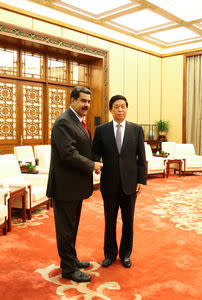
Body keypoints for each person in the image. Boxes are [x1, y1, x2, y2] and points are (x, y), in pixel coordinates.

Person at [47, 86, 103, 282]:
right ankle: (68, 269)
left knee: (71, 226)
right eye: (82, 101)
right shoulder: (64, 122)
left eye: (88, 101)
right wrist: (91, 165)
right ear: (72, 101)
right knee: (66, 228)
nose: (86, 105)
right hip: (65, 187)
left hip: (74, 186)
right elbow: (68, 154)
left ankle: (70, 259)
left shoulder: (77, 121)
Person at [92, 94, 146, 269]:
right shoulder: (101, 130)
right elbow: (94, 154)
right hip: (109, 184)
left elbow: (141, 157)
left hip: (130, 184)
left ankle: (125, 254)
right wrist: (96, 164)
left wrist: (141, 180)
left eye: (123, 106)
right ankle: (109, 254)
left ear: (127, 108)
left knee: (128, 222)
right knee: (110, 221)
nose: (120, 109)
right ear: (110, 109)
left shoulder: (136, 129)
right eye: (116, 106)